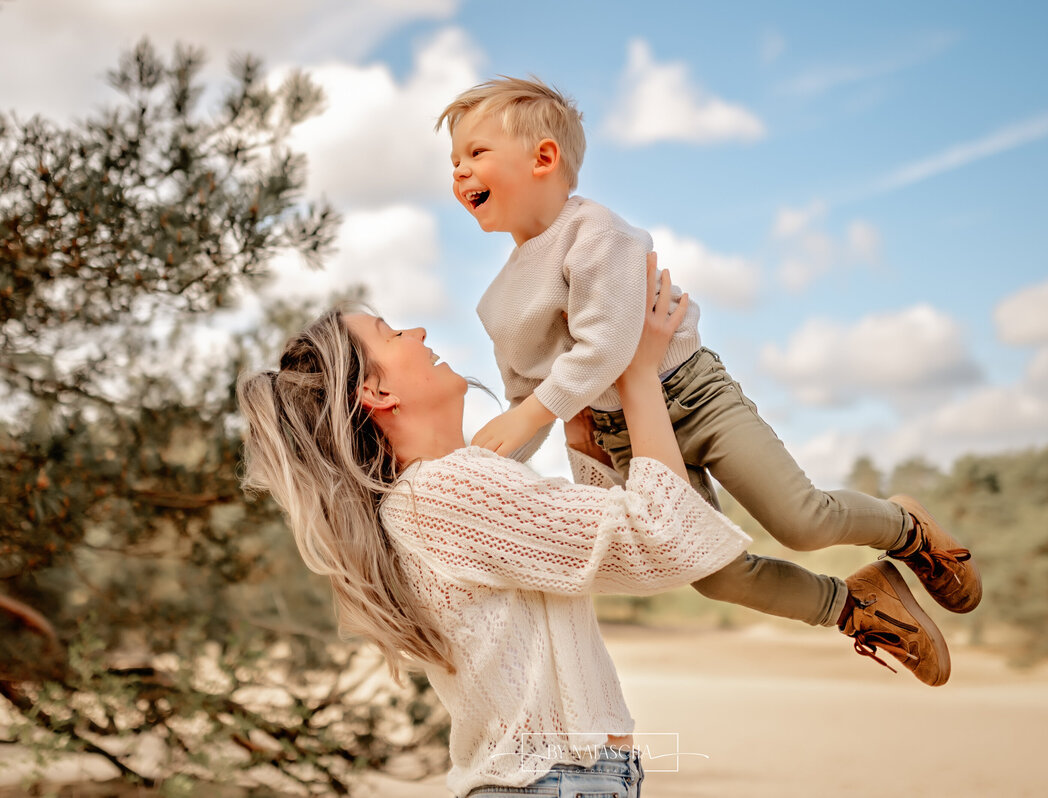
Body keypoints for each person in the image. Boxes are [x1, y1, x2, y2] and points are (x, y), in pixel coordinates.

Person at [237, 258, 953, 798]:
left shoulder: (430, 498)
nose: (420, 331)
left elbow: (604, 547)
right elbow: (662, 541)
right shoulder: (447, 493)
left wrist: (579, 420)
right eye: (394, 333)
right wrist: (639, 375)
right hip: (557, 783)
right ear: (377, 392)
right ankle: (887, 556)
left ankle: (862, 594)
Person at [436, 76, 981, 656]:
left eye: (475, 153)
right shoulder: (496, 302)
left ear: (543, 157)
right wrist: (478, 475)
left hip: (694, 397)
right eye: (453, 161)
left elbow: (611, 346)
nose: (459, 171)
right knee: (710, 571)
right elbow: (529, 402)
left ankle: (905, 528)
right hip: (625, 437)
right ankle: (857, 606)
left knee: (801, 521)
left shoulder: (596, 233)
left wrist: (531, 416)